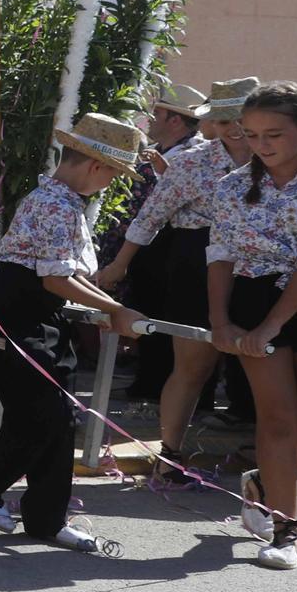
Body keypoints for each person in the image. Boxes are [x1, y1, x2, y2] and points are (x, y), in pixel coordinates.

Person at [0, 114, 143, 552]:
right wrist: (114, 308)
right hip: (18, 319)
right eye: (114, 174)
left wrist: (105, 304)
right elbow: (54, 278)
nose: (110, 182)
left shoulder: (59, 201)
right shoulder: (55, 203)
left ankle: (45, 517)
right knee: (45, 415)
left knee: (56, 420)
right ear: (97, 167)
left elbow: (58, 277)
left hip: (39, 319)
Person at [97, 80, 257, 480]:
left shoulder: (275, 158)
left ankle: (262, 455)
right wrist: (118, 266)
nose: (232, 127)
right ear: (212, 123)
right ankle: (170, 455)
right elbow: (149, 217)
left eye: (239, 118)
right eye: (222, 119)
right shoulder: (193, 162)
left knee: (262, 363)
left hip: (258, 266)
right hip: (197, 262)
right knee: (192, 366)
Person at [208, 82, 297, 570]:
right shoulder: (231, 187)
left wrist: (272, 326)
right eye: (250, 135)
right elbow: (221, 256)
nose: (262, 144)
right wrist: (220, 320)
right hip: (255, 296)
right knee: (279, 419)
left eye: (274, 133)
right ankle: (288, 529)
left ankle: (263, 484)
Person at [109, 83, 209, 400]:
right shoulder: (163, 151)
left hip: (171, 244)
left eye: (158, 112)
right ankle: (149, 380)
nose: (151, 117)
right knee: (149, 308)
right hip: (151, 246)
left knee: (167, 314)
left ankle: (158, 385)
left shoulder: (191, 156)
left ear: (175, 120)